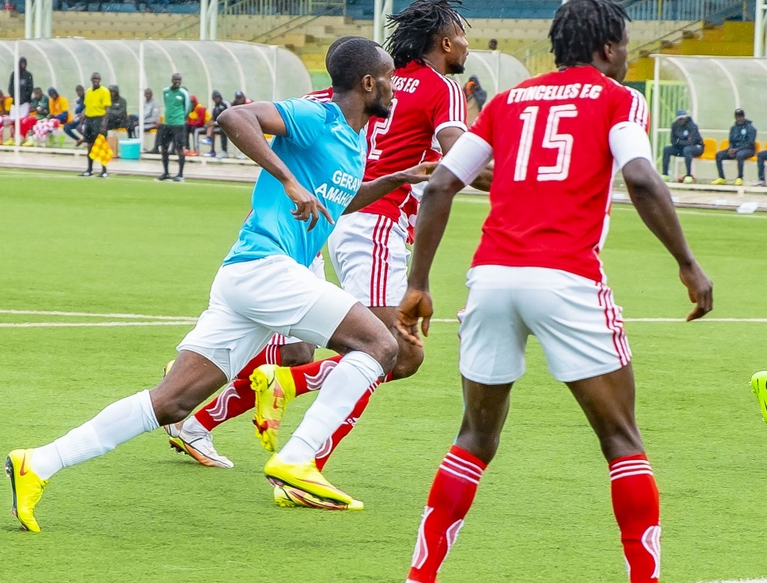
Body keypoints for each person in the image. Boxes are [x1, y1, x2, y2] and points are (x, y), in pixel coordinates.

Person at [4, 37, 434, 532]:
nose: (395, 88)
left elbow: (338, 201)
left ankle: (38, 462)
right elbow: (235, 118)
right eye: (389, 79)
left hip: (246, 279)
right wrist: (287, 179)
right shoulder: (318, 117)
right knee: (381, 345)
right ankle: (300, 459)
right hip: (268, 268)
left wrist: (399, 177)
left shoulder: (356, 142)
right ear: (367, 83)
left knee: (173, 401)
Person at [395, 2, 713, 582]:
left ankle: (421, 575)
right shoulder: (619, 99)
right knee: (621, 439)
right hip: (567, 276)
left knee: (474, 437)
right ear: (609, 48)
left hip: (490, 278)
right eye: (625, 45)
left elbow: (440, 185)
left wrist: (417, 284)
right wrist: (688, 264)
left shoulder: (508, 101)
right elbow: (641, 177)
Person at [169, 1, 490, 507]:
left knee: (303, 349)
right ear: (446, 43)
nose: (468, 43)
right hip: (375, 221)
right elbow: (459, 152)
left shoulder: (357, 82)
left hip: (328, 216)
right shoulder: (440, 87)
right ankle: (301, 460)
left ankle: (205, 411)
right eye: (462, 35)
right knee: (395, 352)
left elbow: (306, 128)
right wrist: (525, 174)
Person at [156, 73, 190, 182]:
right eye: (176, 79)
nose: (177, 81)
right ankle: (166, 173)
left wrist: (181, 118)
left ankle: (180, 174)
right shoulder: (165, 91)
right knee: (164, 147)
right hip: (167, 123)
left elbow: (187, 107)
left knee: (179, 148)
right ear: (172, 80)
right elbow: (166, 103)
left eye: (179, 80)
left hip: (178, 124)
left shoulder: (184, 93)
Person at [712, 108, 757, 186]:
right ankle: (721, 178)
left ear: (743, 116)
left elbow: (750, 143)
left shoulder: (750, 128)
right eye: (737, 116)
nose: (739, 118)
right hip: (735, 149)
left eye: (740, 116)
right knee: (719, 155)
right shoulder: (733, 128)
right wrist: (730, 149)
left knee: (740, 154)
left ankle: (740, 178)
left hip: (748, 149)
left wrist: (737, 149)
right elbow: (731, 141)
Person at [79, 72, 111, 178]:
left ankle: (104, 170)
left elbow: (107, 109)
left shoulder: (104, 91)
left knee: (101, 145)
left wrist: (103, 124)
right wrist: (81, 122)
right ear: (91, 79)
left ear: (100, 80)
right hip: (89, 120)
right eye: (94, 78)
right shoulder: (88, 91)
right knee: (89, 145)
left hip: (99, 119)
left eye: (97, 78)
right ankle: (89, 169)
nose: (96, 80)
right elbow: (86, 108)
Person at [662, 109, 704, 183]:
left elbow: (691, 142)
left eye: (683, 118)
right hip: (681, 148)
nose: (681, 120)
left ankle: (688, 175)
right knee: (666, 149)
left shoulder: (692, 126)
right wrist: (683, 141)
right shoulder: (674, 126)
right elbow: (673, 141)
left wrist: (679, 141)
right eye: (679, 119)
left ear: (686, 118)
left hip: (696, 148)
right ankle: (665, 174)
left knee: (687, 150)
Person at [199, 90, 229, 158]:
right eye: (214, 98)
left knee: (216, 127)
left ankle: (224, 150)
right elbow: (213, 118)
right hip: (217, 123)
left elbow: (229, 114)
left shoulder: (225, 104)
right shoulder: (214, 107)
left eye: (217, 97)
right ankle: (212, 151)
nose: (216, 99)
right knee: (210, 126)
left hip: (225, 123)